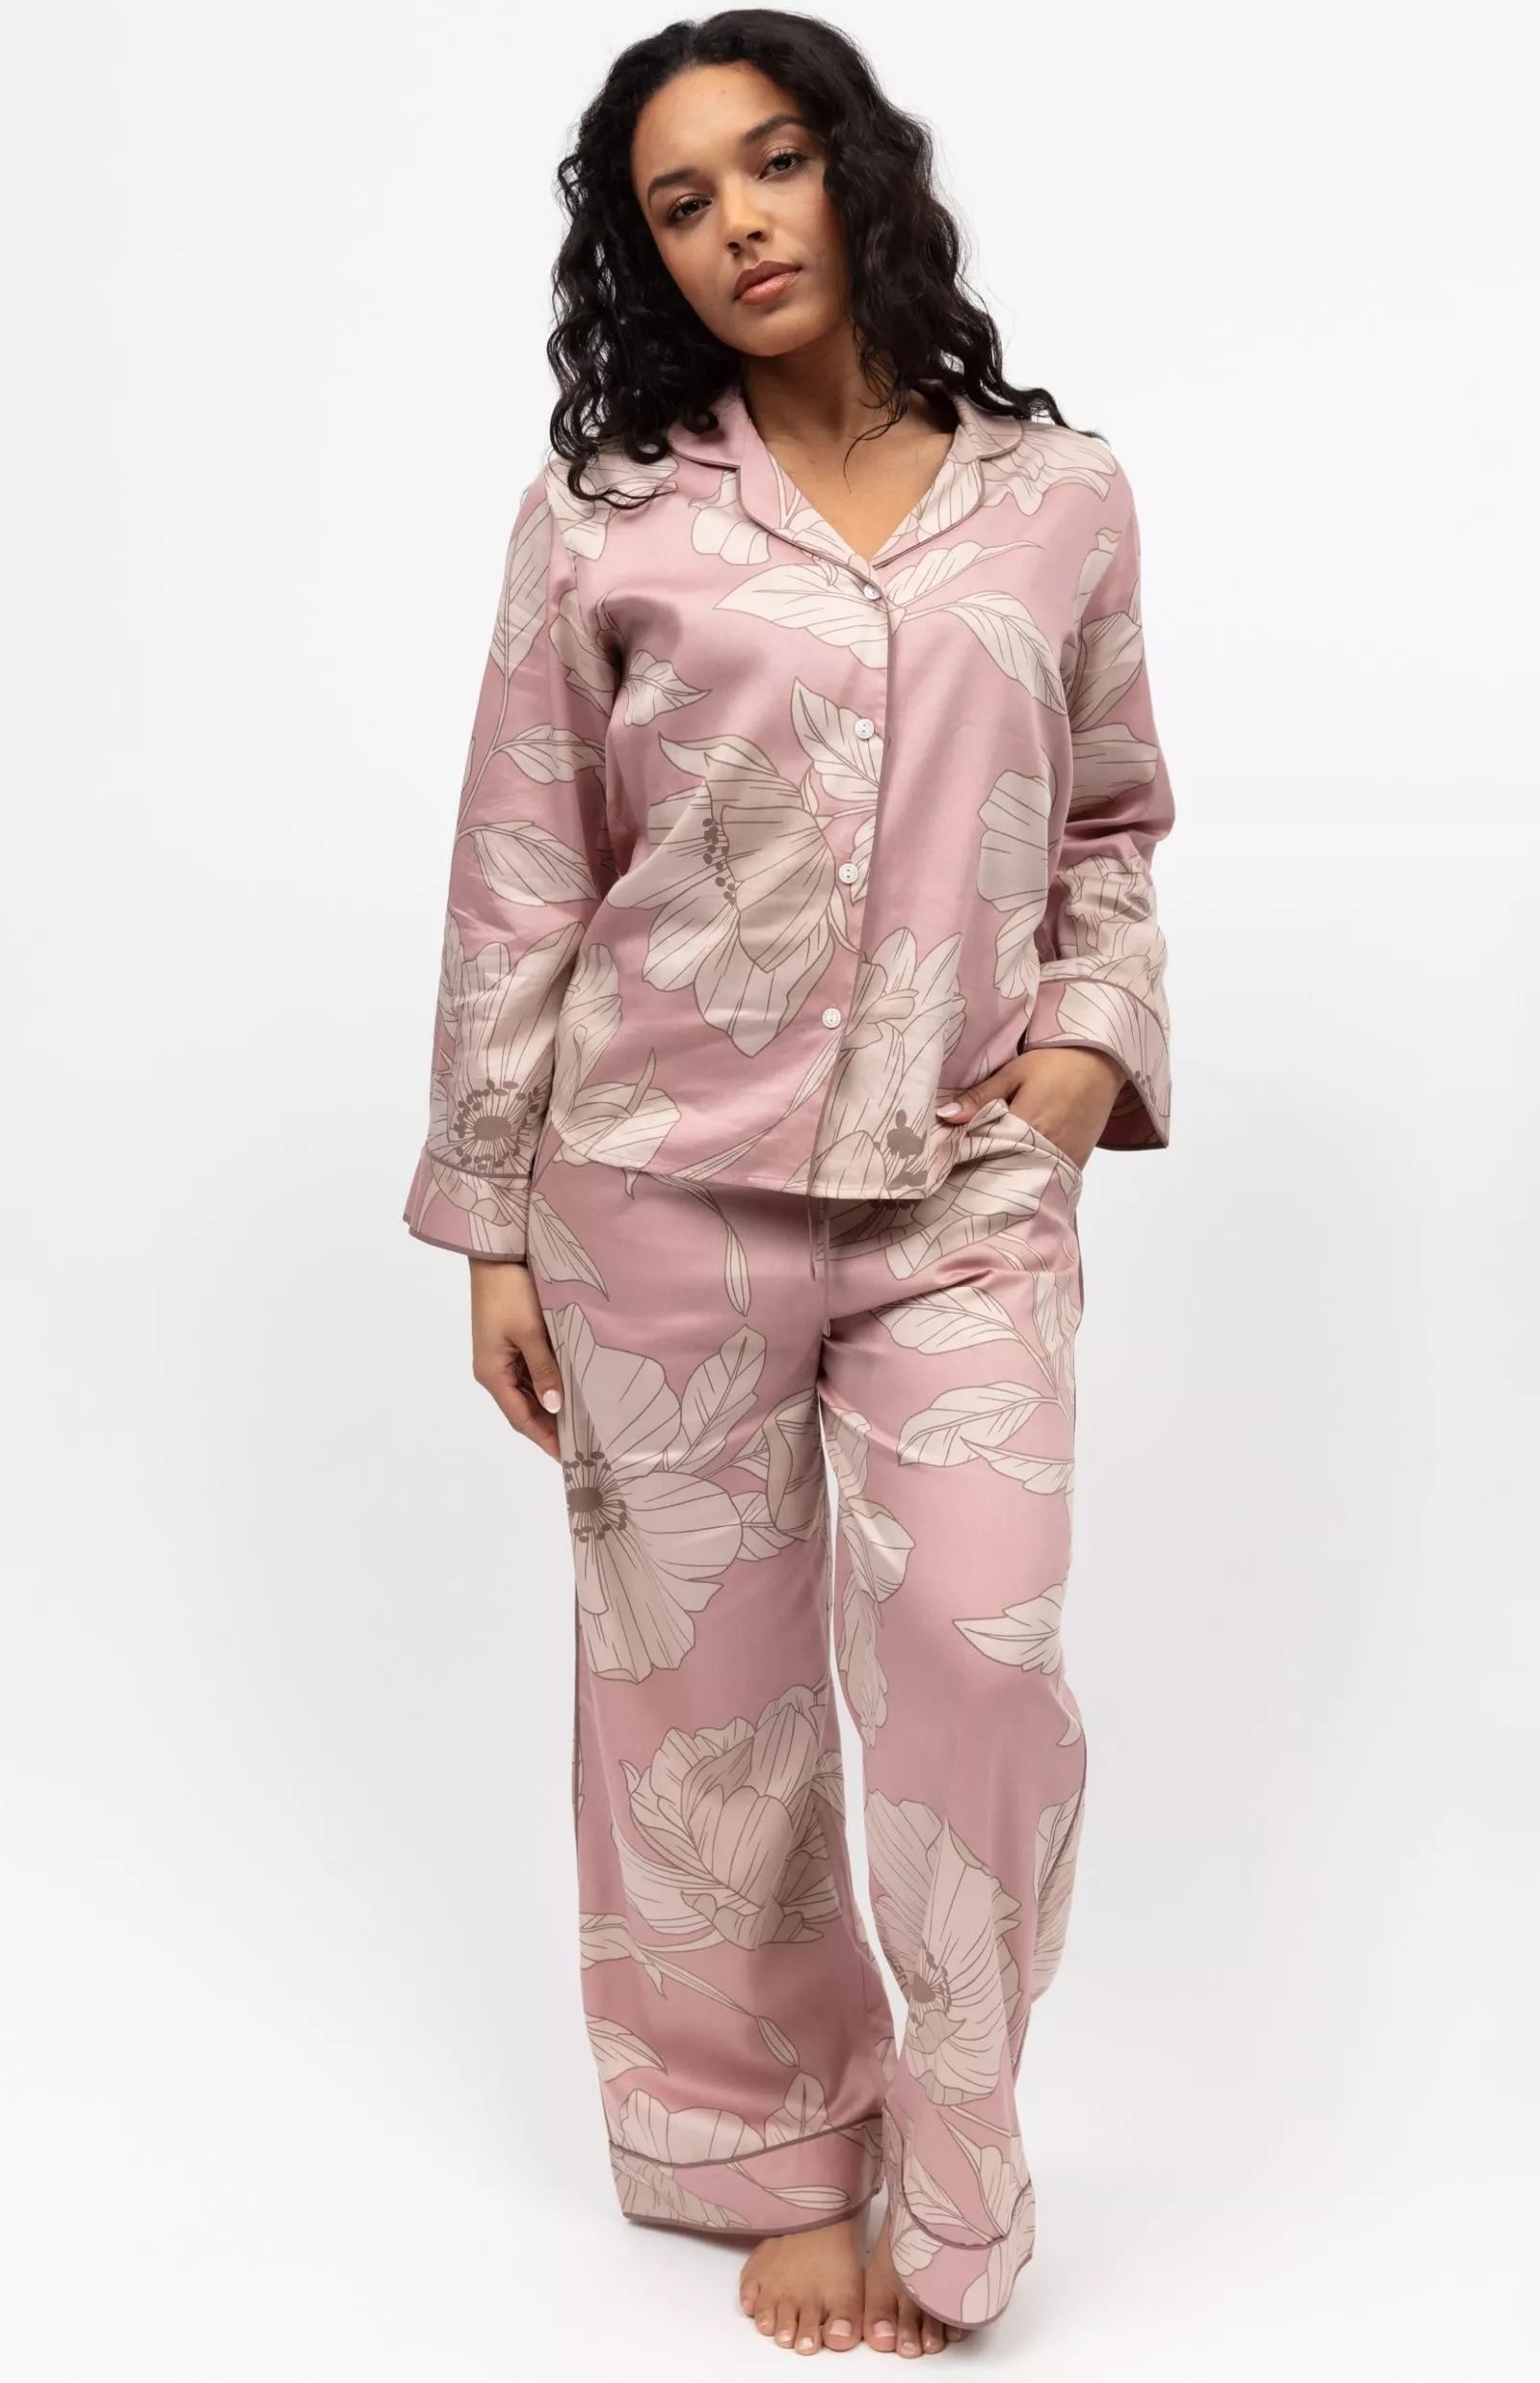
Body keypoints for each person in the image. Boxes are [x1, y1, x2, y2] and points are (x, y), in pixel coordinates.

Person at [401, 9, 1175, 2357]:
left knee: (978, 1655)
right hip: (653, 1187)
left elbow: (1114, 814)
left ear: (856, 170)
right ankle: (758, 2152)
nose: (739, 222)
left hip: (959, 1183)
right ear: (641, 252)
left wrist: (1078, 1053)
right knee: (702, 1715)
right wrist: (493, 1220)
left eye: (771, 163)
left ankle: (955, 2170)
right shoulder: (605, 515)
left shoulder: (1059, 497)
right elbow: (525, 866)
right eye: (680, 200)